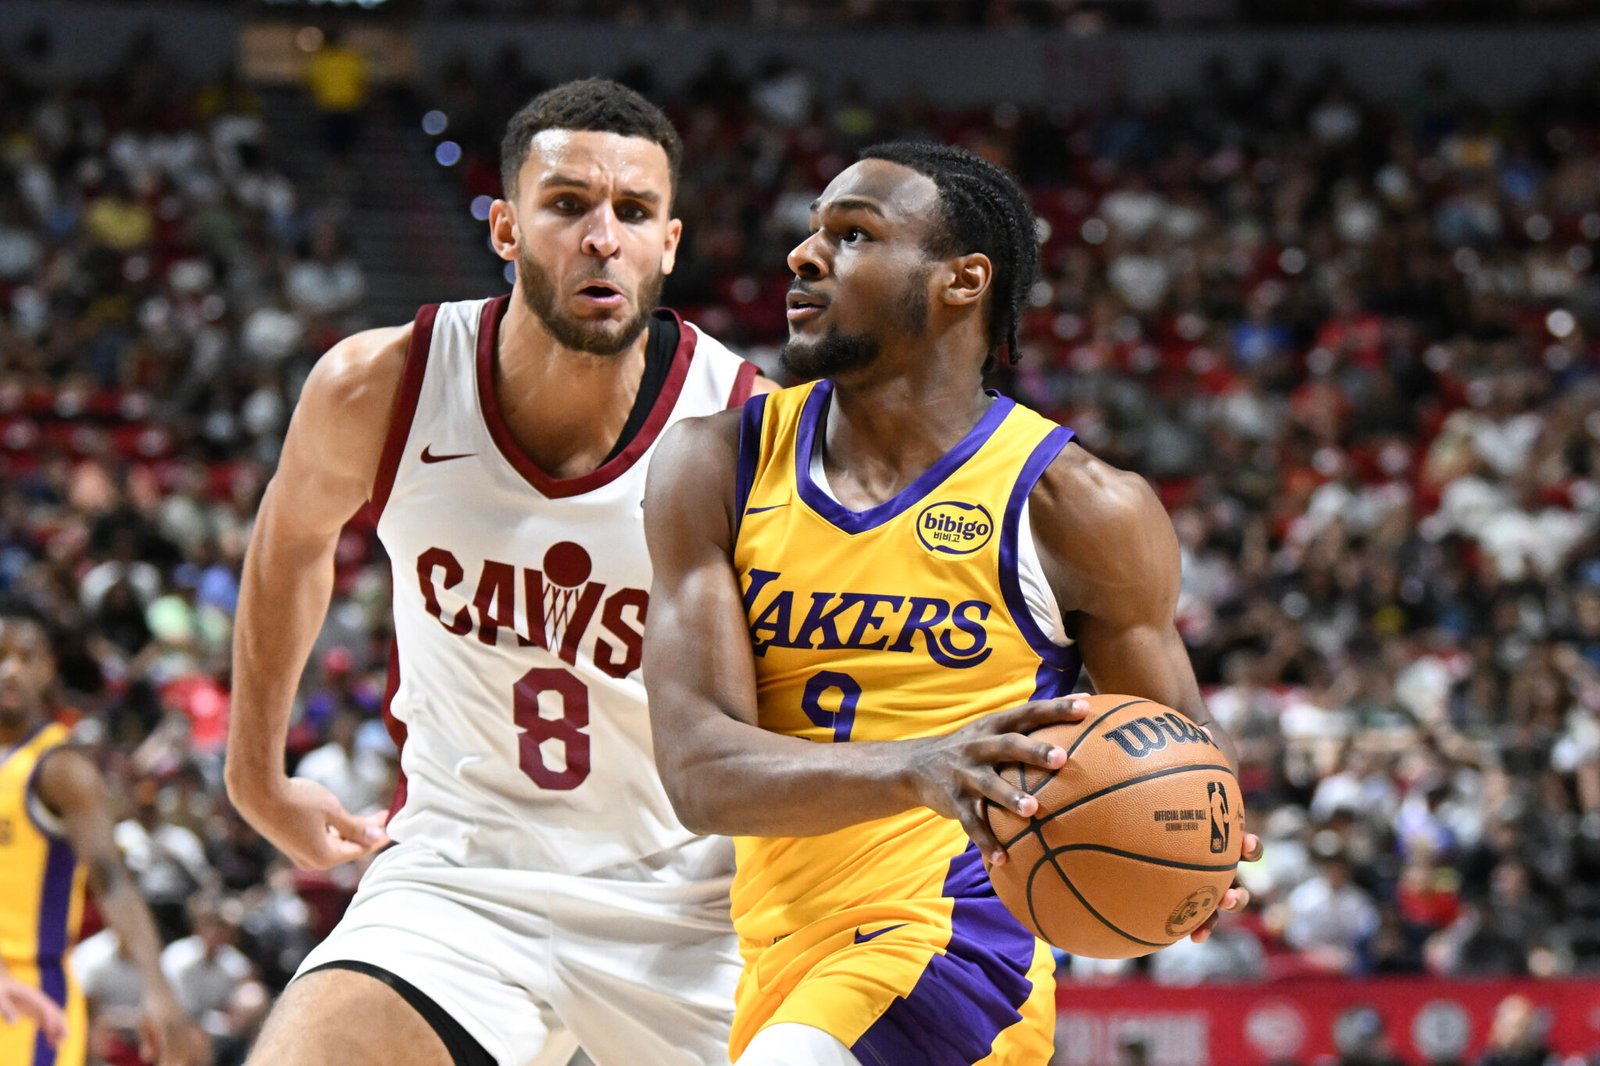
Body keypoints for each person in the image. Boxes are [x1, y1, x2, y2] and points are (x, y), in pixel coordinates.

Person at [643, 142, 1261, 1065]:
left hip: (959, 955)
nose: (803, 257)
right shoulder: (715, 465)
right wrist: (921, 767)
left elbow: (1178, 756)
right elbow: (699, 775)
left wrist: (1190, 857)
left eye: (852, 235)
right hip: (781, 955)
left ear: (963, 282)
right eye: (812, 231)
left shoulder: (1079, 507)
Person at [225, 78, 768, 1066]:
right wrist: (254, 774)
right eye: (567, 206)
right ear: (507, 229)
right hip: (459, 881)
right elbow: (290, 540)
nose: (602, 236)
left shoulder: (744, 430)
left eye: (633, 212)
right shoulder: (382, 383)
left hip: (690, 905)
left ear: (669, 244)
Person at [0, 605, 200, 1066]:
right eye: (1, 655)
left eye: (25, 656)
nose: (10, 669)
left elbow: (110, 879)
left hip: (33, 992)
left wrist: (156, 987)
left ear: (48, 667)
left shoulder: (60, 768)